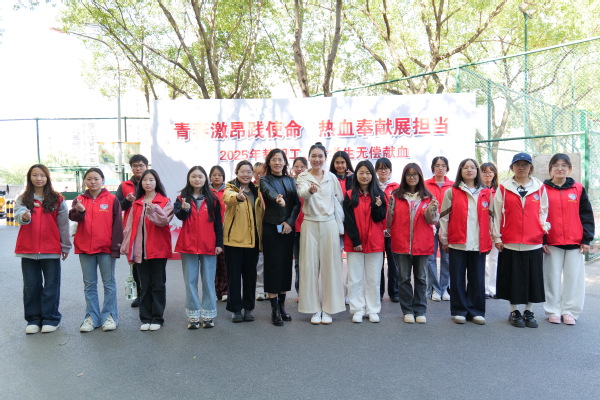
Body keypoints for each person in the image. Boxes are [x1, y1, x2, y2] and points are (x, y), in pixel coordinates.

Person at [492, 153, 549, 328]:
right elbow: (496, 214)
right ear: (512, 167)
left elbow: (543, 212)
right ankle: (514, 311)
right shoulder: (504, 187)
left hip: (533, 241)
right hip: (510, 240)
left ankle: (528, 311)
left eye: (525, 164)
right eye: (517, 164)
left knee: (532, 278)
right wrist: (497, 236)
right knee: (513, 278)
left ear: (531, 167)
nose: (521, 167)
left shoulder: (539, 187)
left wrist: (542, 231)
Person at [14, 164, 71, 334]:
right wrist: (24, 216)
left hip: (51, 250)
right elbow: (18, 215)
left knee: (51, 286)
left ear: (47, 178)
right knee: (31, 286)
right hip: (28, 249)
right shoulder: (23, 199)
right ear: (29, 177)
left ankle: (50, 318)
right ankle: (33, 319)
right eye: (35, 175)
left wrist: (65, 246)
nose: (38, 178)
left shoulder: (57, 199)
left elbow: (63, 225)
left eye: (42, 175)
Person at [543, 153, 594, 325]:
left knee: (574, 279)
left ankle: (570, 311)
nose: (560, 168)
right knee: (551, 278)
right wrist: (542, 239)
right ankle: (553, 310)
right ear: (550, 169)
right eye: (556, 165)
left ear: (569, 169)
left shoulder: (578, 188)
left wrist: (586, 239)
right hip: (551, 241)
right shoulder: (543, 189)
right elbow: (538, 215)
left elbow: (586, 214)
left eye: (564, 165)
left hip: (575, 241)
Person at [69, 168, 123, 333]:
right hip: (84, 248)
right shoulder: (79, 199)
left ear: (103, 180)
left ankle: (109, 316)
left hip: (106, 249)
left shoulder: (112, 199)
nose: (93, 182)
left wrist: (116, 247)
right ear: (85, 181)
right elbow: (73, 217)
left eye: (96, 178)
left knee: (109, 284)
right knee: (89, 285)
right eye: (89, 179)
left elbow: (117, 225)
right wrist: (79, 211)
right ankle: (91, 317)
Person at [297, 142, 346, 324]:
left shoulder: (331, 177)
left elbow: (339, 198)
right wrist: (310, 191)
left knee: (331, 267)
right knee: (309, 268)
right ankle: (314, 310)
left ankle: (328, 309)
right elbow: (303, 193)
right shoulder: (303, 176)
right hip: (310, 224)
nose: (317, 159)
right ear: (309, 158)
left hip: (329, 224)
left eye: (320, 156)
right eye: (314, 156)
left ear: (325, 158)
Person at [439, 159, 491, 325]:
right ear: (460, 171)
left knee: (477, 278)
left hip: (478, 242)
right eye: (465, 167)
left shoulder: (486, 192)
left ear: (477, 171)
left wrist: (492, 238)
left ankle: (476, 311)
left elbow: (492, 218)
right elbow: (444, 217)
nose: (469, 170)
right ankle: (459, 310)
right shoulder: (452, 192)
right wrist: (445, 239)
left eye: (473, 167)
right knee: (457, 278)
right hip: (457, 241)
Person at [121, 170, 174, 331]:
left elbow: (163, 221)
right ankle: (145, 318)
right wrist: (126, 247)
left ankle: (157, 318)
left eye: (151, 180)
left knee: (158, 284)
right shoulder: (137, 203)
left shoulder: (165, 202)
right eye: (145, 180)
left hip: (158, 249)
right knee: (144, 285)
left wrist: (153, 211)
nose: (148, 183)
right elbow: (129, 228)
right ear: (141, 184)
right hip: (139, 251)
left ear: (157, 182)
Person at [388, 163, 438, 324]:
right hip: (401, 243)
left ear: (420, 176)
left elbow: (432, 221)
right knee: (403, 278)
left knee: (421, 278)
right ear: (404, 177)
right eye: (408, 174)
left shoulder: (428, 196)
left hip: (422, 243)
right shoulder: (395, 196)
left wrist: (432, 210)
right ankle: (407, 310)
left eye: (415, 174)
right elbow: (389, 221)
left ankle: (420, 310)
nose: (412, 177)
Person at [174, 166, 223, 329]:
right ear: (189, 178)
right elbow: (180, 217)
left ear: (205, 179)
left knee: (208, 281)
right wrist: (184, 209)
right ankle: (193, 315)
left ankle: (208, 314)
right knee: (190, 281)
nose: (197, 179)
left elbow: (218, 223)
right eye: (193, 176)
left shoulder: (213, 199)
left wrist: (219, 244)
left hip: (209, 245)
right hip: (188, 245)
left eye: (200, 176)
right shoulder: (182, 197)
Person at [260, 149, 301, 326]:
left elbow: (297, 203)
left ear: (285, 162)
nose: (277, 163)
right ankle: (274, 308)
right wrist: (277, 199)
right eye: (274, 160)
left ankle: (283, 306)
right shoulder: (264, 180)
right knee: (273, 267)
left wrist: (290, 223)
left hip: (288, 229)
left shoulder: (290, 180)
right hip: (271, 228)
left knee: (285, 267)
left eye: (280, 160)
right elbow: (268, 193)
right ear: (269, 163)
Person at [343, 160, 387, 323]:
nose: (364, 176)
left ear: (372, 175)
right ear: (356, 175)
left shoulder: (380, 195)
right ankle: (357, 309)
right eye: (361, 172)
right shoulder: (349, 195)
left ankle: (373, 309)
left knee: (373, 279)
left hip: (374, 243)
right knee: (355, 279)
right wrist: (355, 240)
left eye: (368, 173)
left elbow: (380, 219)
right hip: (354, 243)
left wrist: (377, 206)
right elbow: (348, 220)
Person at [223, 161, 265, 323]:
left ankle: (248, 308)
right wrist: (238, 197)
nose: (246, 175)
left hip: (252, 241)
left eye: (249, 172)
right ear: (237, 172)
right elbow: (227, 198)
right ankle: (235, 309)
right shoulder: (230, 188)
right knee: (234, 277)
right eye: (243, 171)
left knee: (250, 277)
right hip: (234, 241)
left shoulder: (256, 189)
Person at [116, 154, 148, 307]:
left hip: (149, 228)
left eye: (141, 165)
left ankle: (150, 294)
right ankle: (139, 295)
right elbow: (117, 207)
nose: (138, 168)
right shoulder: (124, 185)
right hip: (132, 229)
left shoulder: (152, 182)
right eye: (135, 166)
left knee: (150, 262)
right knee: (135, 262)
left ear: (146, 167)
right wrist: (127, 201)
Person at [424, 156, 453, 301]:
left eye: (443, 165)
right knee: (430, 258)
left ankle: (444, 288)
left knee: (446, 258)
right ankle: (435, 289)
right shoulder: (425, 185)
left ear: (447, 168)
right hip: (430, 226)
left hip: (447, 226)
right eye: (437, 165)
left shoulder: (453, 185)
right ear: (433, 168)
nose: (440, 168)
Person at [375, 157, 400, 303]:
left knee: (393, 262)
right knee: (377, 263)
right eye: (380, 168)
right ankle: (378, 292)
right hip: (377, 230)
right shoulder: (372, 186)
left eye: (386, 168)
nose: (383, 171)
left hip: (392, 231)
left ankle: (394, 292)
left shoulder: (397, 188)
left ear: (390, 170)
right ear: (376, 170)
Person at [209, 165, 228, 302]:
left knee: (225, 262)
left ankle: (226, 290)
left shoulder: (229, 191)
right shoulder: (206, 192)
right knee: (213, 263)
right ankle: (215, 291)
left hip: (226, 230)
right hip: (210, 230)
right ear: (210, 177)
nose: (217, 177)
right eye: (214, 175)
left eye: (219, 175)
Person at [480, 162, 499, 298]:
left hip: (495, 230)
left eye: (490, 172)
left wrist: (496, 230)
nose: (487, 174)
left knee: (494, 259)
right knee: (482, 260)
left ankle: (493, 288)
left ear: (494, 174)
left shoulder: (499, 190)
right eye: (484, 172)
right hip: (480, 229)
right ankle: (484, 287)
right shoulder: (477, 190)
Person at [291, 157, 308, 299]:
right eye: (296, 166)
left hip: (309, 226)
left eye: (302, 166)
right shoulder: (289, 183)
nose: (299, 169)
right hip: (294, 228)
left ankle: (310, 291)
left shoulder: (310, 182)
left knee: (310, 262)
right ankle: (301, 292)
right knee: (298, 262)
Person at [252, 162, 268, 301]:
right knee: (260, 262)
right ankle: (260, 288)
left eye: (262, 173)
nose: (260, 176)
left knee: (271, 261)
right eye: (257, 173)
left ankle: (270, 288)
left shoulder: (271, 186)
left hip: (271, 227)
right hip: (256, 229)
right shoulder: (250, 188)